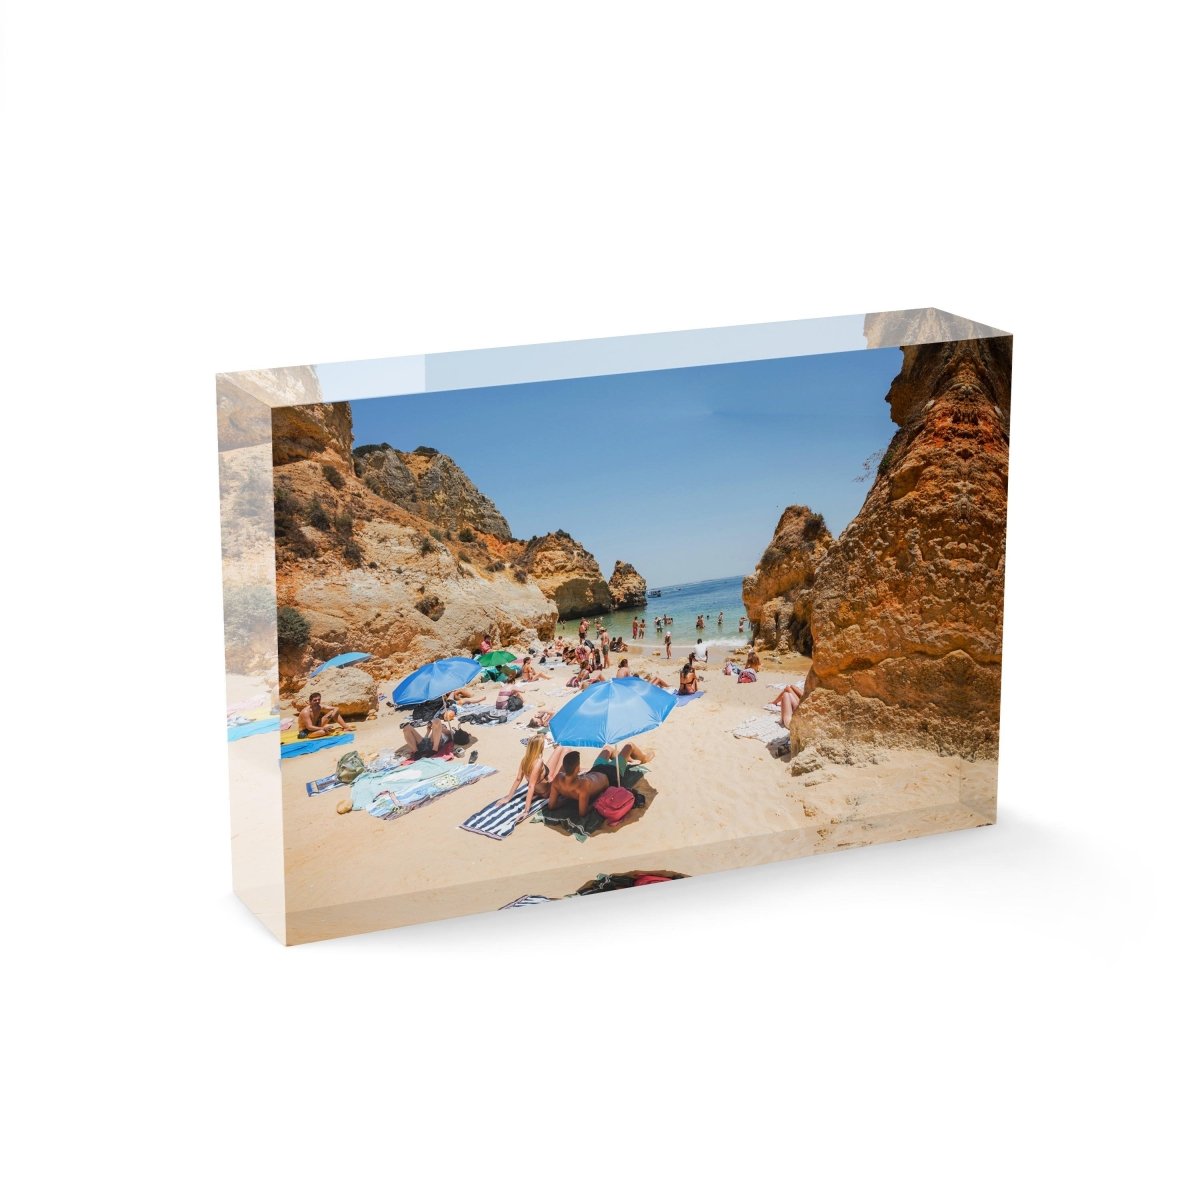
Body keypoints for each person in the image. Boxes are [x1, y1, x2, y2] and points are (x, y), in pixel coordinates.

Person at [500, 734, 567, 820]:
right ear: (539, 747)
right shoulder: (538, 762)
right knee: (566, 750)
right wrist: (526, 811)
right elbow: (531, 786)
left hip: (543, 783)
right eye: (543, 744)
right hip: (546, 791)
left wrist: (508, 797)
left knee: (559, 748)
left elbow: (518, 779)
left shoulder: (525, 759)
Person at [548, 750, 613, 819]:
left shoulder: (557, 780)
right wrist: (598, 800)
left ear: (564, 767)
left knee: (608, 750)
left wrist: (565, 800)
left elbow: (551, 806)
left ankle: (613, 755)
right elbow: (583, 813)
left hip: (594, 771)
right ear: (577, 768)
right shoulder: (582, 786)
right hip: (609, 775)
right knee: (611, 749)